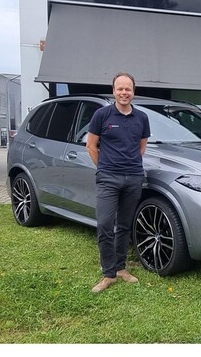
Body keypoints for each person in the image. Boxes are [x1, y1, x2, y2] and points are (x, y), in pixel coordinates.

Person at [86, 72, 150, 293]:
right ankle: (108, 274)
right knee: (105, 224)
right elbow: (91, 146)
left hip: (133, 177)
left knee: (124, 225)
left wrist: (130, 167)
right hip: (108, 178)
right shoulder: (102, 115)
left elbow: (141, 146)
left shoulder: (142, 118)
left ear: (133, 91)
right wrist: (104, 168)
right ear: (113, 91)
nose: (124, 92)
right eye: (120, 89)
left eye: (128, 89)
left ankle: (121, 268)